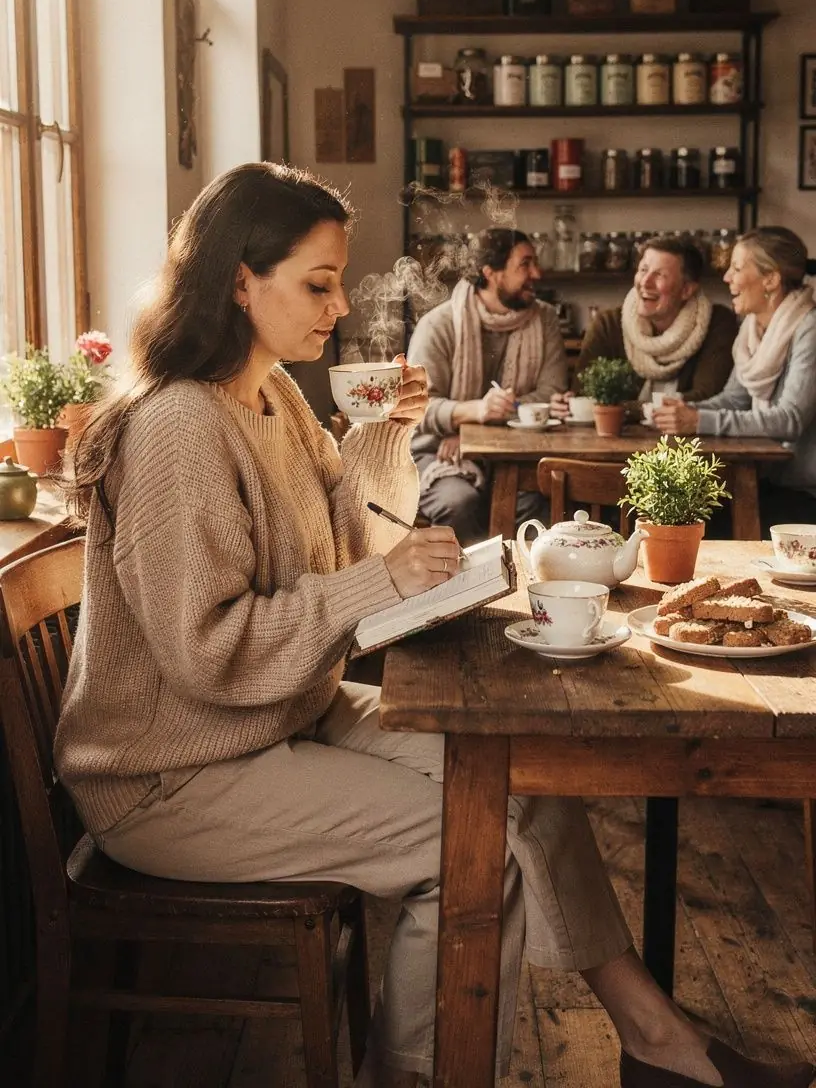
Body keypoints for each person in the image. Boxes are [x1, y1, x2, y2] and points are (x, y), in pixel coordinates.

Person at [55, 165, 813, 1088]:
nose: (337, 306)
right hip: (172, 772)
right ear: (237, 279)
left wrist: (381, 439)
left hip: (274, 718)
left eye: (341, 279)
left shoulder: (275, 398)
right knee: (473, 845)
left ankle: (656, 1039)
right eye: (317, 282)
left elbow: (345, 549)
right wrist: (379, 578)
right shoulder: (179, 425)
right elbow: (206, 654)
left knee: (526, 781)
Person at [407, 229, 567, 542]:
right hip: (439, 451)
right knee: (459, 503)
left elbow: (551, 392)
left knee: (540, 502)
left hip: (520, 453)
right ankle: (473, 587)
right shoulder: (439, 325)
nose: (537, 273)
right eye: (525, 264)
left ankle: (528, 584)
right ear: (490, 273)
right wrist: (475, 411)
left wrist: (474, 428)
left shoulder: (544, 318)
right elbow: (418, 406)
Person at [654, 226, 816, 530]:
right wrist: (683, 408)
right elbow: (734, 399)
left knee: (697, 522)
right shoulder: (752, 330)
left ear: (771, 279)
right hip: (768, 481)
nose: (727, 277)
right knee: (680, 514)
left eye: (737, 268)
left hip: (805, 495)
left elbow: (790, 419)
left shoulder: (810, 329)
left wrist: (698, 421)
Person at [551, 235, 737, 419]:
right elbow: (585, 395)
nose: (645, 283)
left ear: (686, 290)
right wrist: (567, 404)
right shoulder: (608, 326)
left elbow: (707, 398)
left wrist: (622, 408)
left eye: (659, 275)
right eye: (643, 270)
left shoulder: (716, 323)